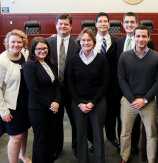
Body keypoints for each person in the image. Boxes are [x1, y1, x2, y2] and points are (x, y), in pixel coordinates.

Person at [118, 25, 158, 163]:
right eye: (138, 36)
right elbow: (121, 79)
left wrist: (144, 100)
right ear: (133, 37)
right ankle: (125, 157)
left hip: (149, 101)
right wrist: (133, 99)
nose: (141, 39)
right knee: (125, 133)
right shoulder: (125, 56)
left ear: (149, 38)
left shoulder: (157, 57)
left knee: (151, 134)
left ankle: (151, 159)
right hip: (128, 100)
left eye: (144, 36)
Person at [0, 29, 32, 163]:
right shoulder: (0, 62)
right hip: (10, 104)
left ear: (23, 43)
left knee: (24, 131)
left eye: (19, 42)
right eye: (13, 42)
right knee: (16, 136)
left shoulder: (25, 53)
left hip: (25, 102)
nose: (16, 45)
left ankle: (22, 155)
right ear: (7, 43)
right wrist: (3, 111)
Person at [68, 28, 109, 163]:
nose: (86, 42)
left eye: (89, 40)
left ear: (93, 42)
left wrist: (93, 103)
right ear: (79, 42)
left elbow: (105, 83)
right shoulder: (73, 59)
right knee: (81, 133)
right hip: (78, 103)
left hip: (97, 102)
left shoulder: (101, 59)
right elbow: (71, 83)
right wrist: (79, 103)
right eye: (83, 40)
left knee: (98, 134)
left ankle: (99, 160)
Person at [116, 12, 154, 156]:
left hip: (144, 93)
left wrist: (144, 98)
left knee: (140, 124)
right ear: (123, 23)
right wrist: (130, 97)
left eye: (132, 21)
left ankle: (134, 146)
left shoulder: (151, 49)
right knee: (124, 125)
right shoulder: (118, 42)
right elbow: (118, 71)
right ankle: (124, 151)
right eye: (126, 21)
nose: (129, 24)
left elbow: (151, 69)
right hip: (124, 91)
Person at [46, 13, 79, 159]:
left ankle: (77, 147)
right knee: (55, 122)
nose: (63, 26)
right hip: (54, 92)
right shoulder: (47, 43)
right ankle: (56, 148)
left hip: (73, 91)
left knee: (76, 121)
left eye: (66, 24)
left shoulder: (78, 43)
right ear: (56, 25)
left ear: (71, 26)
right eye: (60, 24)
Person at [24, 37, 61, 163]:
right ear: (33, 50)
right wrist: (50, 104)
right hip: (38, 108)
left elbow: (56, 84)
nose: (42, 51)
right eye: (38, 48)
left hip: (53, 108)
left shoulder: (50, 63)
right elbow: (33, 90)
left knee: (51, 137)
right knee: (41, 139)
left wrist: (57, 101)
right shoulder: (30, 66)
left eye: (44, 48)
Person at [87, 12, 119, 152]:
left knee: (111, 111)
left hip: (112, 83)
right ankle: (93, 140)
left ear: (109, 24)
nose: (103, 23)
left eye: (105, 21)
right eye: (100, 21)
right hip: (94, 84)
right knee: (94, 112)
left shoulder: (117, 41)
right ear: (96, 24)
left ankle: (111, 136)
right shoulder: (89, 40)